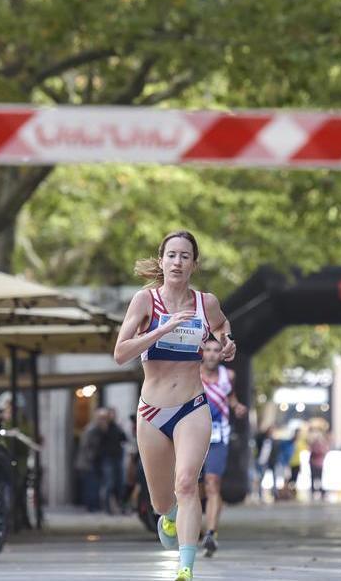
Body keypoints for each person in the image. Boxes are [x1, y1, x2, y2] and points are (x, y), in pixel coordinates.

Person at [113, 230, 235, 581]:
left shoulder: (205, 303)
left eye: (185, 256)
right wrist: (158, 332)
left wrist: (227, 342)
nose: (177, 262)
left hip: (192, 407)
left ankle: (185, 567)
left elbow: (222, 325)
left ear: (194, 264)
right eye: (171, 255)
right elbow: (121, 353)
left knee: (187, 484)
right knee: (162, 502)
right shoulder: (145, 301)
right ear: (162, 260)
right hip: (151, 412)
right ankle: (167, 516)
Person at [198, 337, 245, 556]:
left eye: (216, 350)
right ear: (202, 352)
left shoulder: (229, 376)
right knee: (190, 486)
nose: (211, 354)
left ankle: (211, 533)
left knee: (212, 484)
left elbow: (231, 397)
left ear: (221, 354)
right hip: (194, 436)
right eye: (207, 350)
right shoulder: (193, 375)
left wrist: (237, 407)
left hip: (219, 436)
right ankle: (190, 530)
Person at [76, 411, 107, 512]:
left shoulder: (96, 429)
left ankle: (93, 505)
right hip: (88, 463)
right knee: (91, 485)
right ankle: (91, 506)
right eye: (101, 418)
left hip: (91, 462)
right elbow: (86, 446)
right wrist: (92, 457)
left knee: (93, 485)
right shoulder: (92, 430)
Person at [100, 408, 128, 514]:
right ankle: (107, 508)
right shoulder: (104, 427)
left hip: (118, 458)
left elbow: (124, 438)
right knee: (109, 483)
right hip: (108, 458)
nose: (112, 416)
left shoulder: (116, 427)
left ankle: (120, 506)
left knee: (119, 483)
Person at [308, 431, 329, 500]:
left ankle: (320, 490)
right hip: (314, 463)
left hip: (319, 463)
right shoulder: (314, 444)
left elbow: (323, 451)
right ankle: (314, 490)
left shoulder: (322, 444)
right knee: (314, 478)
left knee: (319, 478)